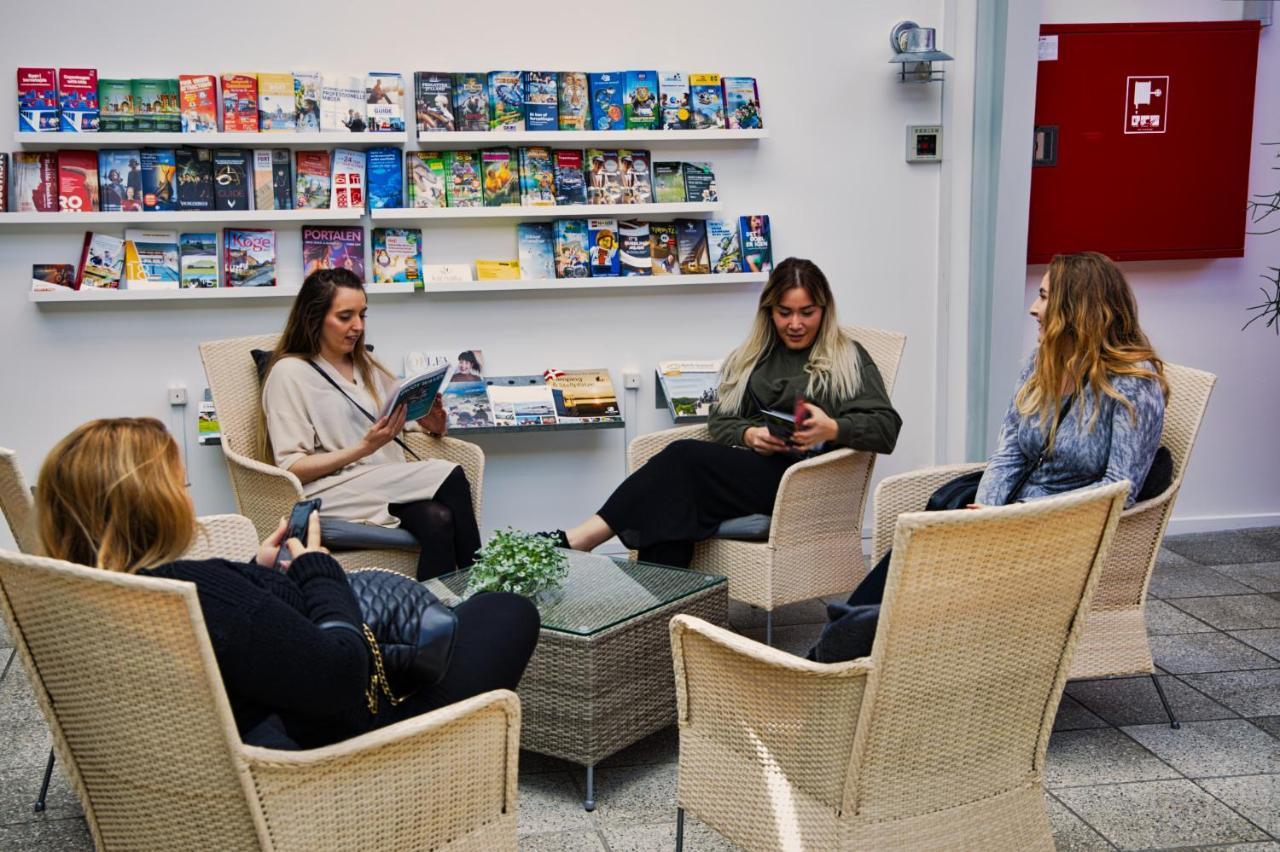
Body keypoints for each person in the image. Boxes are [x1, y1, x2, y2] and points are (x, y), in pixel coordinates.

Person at [34, 417, 540, 750]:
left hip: (258, 720)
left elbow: (255, 636)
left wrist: (259, 571)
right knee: (506, 611)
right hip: (341, 751)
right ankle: (453, 760)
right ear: (154, 506)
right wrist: (318, 568)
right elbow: (341, 673)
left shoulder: (81, 597)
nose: (187, 495)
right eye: (182, 486)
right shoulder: (202, 593)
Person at [814, 251, 1169, 662]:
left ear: (1079, 309)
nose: (1034, 309)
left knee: (930, 583)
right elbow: (1011, 451)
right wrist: (989, 509)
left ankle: (841, 650)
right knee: (917, 550)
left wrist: (1023, 515)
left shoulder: (1132, 384)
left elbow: (1118, 490)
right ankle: (840, 647)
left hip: (1061, 534)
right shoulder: (1042, 363)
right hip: (1007, 517)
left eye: (1045, 297)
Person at [553, 257, 902, 568]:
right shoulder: (754, 356)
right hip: (754, 471)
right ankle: (661, 620)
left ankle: (582, 538)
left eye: (807, 312)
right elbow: (721, 420)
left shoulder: (848, 357)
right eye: (785, 312)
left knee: (683, 458)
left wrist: (832, 429)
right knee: (673, 501)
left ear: (824, 310)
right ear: (769, 311)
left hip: (805, 483)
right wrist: (751, 435)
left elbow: (886, 428)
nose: (795, 323)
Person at [260, 268, 481, 580]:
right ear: (315, 317)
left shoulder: (369, 365)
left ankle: (436, 617)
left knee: (438, 519)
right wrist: (363, 448)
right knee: (451, 475)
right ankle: (485, 587)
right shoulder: (289, 373)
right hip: (332, 490)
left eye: (362, 315)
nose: (357, 327)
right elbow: (292, 467)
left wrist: (432, 421)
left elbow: (402, 426)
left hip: (383, 485)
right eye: (345, 316)